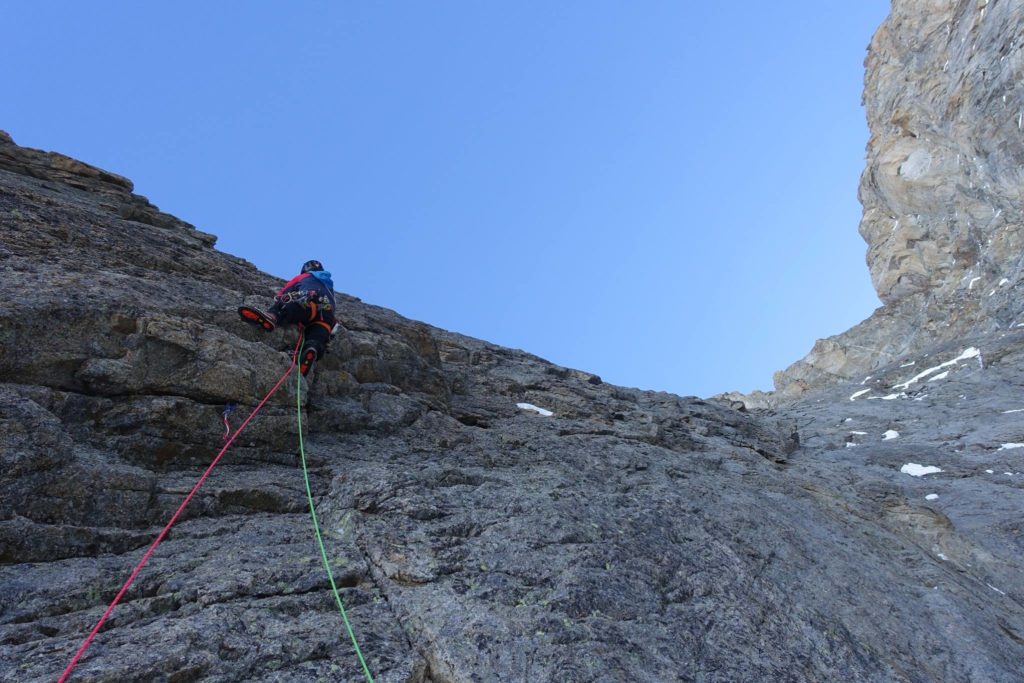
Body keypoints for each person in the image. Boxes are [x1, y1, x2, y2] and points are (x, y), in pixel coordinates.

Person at [239, 259, 337, 376]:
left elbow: (285, 292)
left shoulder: (304, 277)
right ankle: (311, 349)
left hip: (309, 305)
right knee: (317, 337)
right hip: (326, 317)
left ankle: (273, 316)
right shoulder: (329, 287)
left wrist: (279, 302)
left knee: (286, 303)